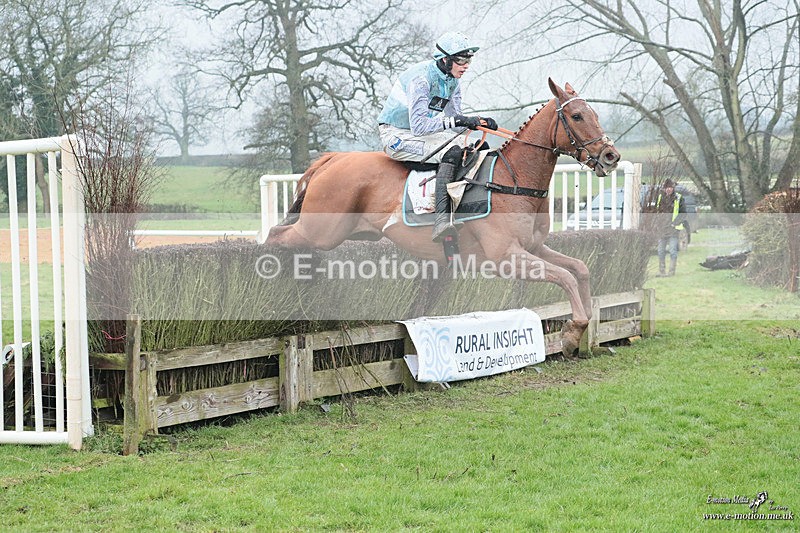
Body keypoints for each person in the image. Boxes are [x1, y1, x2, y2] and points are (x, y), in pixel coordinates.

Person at [377, 31, 498, 242]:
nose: (466, 65)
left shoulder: (453, 81)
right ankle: (441, 221)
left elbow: (454, 121)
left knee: (479, 146)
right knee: (452, 152)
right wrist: (461, 121)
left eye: (468, 59)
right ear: (445, 59)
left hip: (422, 133)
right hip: (397, 136)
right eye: (461, 60)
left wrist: (478, 122)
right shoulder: (421, 80)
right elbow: (420, 126)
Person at [655, 179, 687, 277]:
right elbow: (657, 212)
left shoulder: (679, 198)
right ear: (664, 189)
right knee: (660, 251)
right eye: (667, 188)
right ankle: (662, 271)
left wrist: (674, 223)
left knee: (673, 250)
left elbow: (683, 213)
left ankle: (671, 272)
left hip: (674, 229)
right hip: (662, 228)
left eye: (670, 187)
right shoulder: (660, 197)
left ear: (673, 188)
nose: (668, 189)